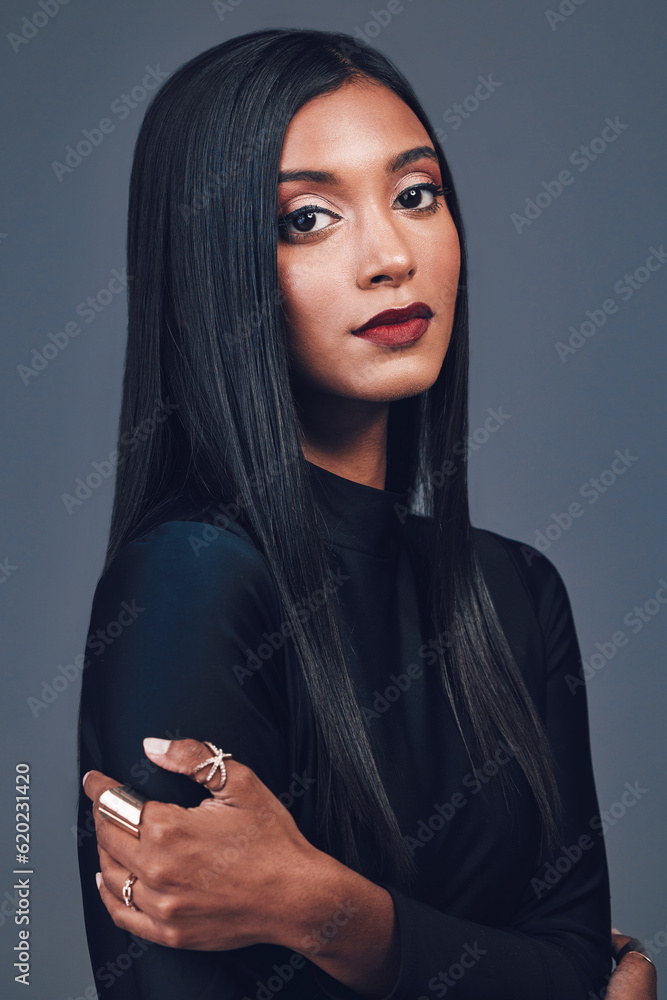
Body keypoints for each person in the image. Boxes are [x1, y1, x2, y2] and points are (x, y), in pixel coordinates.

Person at [75, 27, 656, 1000]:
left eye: (415, 195)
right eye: (307, 217)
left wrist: (319, 908)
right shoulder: (188, 579)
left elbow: (575, 961)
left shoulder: (518, 592)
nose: (389, 254)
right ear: (215, 267)